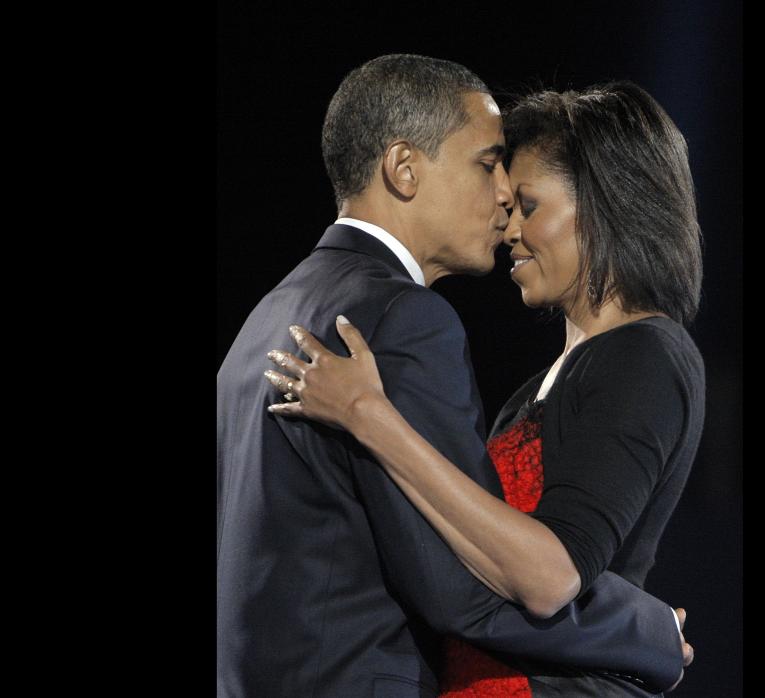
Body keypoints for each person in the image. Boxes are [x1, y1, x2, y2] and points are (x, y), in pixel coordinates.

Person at [219, 54, 689, 697]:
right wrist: (650, 629)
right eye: (488, 165)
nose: (503, 207)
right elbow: (461, 587)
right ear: (404, 168)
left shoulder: (264, 321)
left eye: (524, 197)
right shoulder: (402, 317)